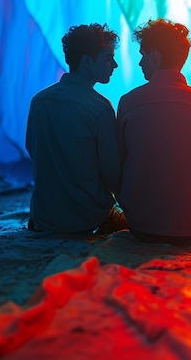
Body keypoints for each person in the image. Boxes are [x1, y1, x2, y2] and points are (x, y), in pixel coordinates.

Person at [117, 18, 191, 244]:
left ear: (155, 56)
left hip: (141, 227)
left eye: (143, 54)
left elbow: (118, 167)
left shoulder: (128, 103)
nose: (140, 63)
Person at [26, 23, 125, 234]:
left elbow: (32, 150)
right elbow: (111, 173)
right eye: (108, 58)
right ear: (87, 62)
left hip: (43, 218)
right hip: (89, 219)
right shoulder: (100, 107)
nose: (114, 65)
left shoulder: (39, 101)